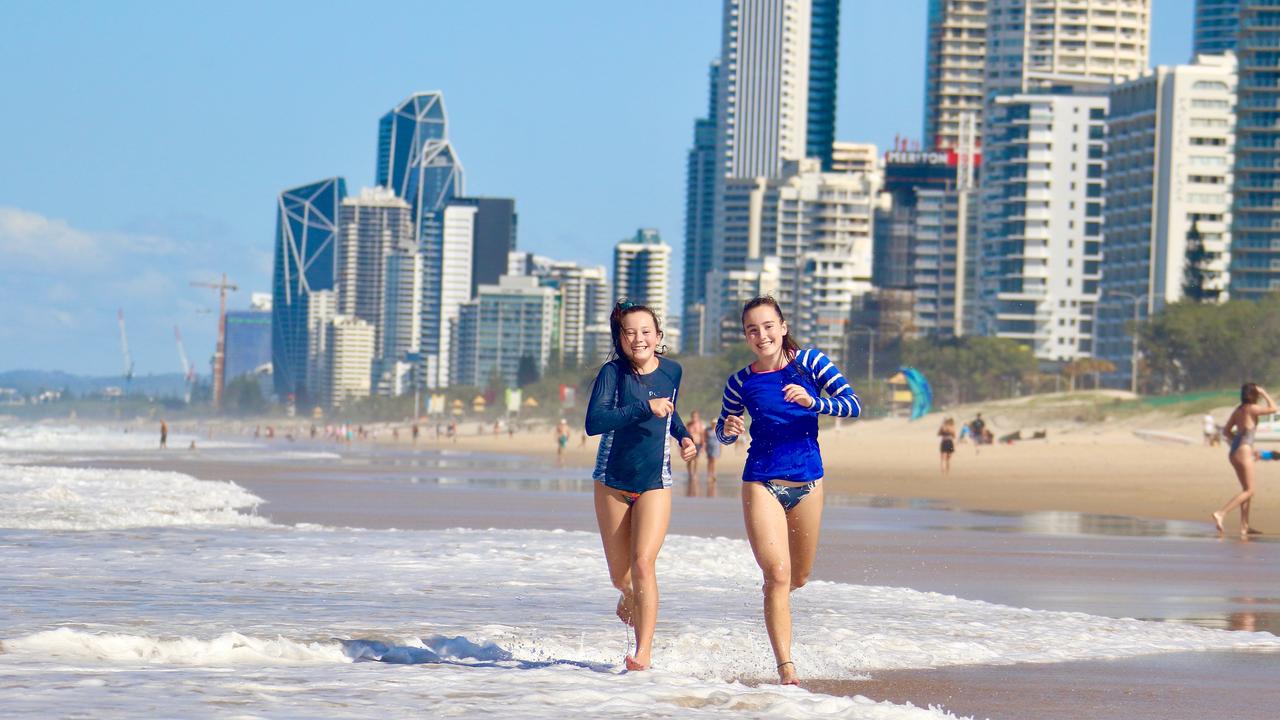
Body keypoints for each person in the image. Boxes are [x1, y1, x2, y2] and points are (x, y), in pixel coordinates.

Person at [715, 296, 861, 685]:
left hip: (809, 482)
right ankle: (786, 668)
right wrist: (727, 432)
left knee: (799, 576)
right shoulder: (740, 382)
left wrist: (815, 401)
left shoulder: (811, 363)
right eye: (752, 329)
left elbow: (853, 405)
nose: (761, 335)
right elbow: (723, 427)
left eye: (767, 326)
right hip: (761, 481)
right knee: (777, 574)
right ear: (746, 336)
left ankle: (777, 606)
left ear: (782, 326)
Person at [585, 300, 697, 672]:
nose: (638, 339)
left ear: (659, 336)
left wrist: (683, 436)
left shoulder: (673, 371)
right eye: (630, 332)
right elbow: (595, 421)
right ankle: (629, 593)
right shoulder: (612, 374)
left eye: (645, 331)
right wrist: (645, 408)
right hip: (612, 480)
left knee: (644, 562)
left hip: (655, 480)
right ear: (620, 337)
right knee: (621, 575)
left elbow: (670, 408)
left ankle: (643, 651)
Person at [1213, 383, 1278, 537]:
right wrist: (1264, 393)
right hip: (1243, 451)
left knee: (1246, 491)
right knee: (1249, 491)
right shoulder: (1252, 408)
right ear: (1254, 394)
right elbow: (1274, 409)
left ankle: (1244, 526)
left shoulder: (1238, 410)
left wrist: (1239, 440)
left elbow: (1226, 431)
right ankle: (1221, 513)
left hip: (1234, 452)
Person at [684, 410, 706, 495]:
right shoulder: (689, 425)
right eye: (693, 416)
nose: (694, 418)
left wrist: (703, 445)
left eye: (696, 416)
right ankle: (690, 473)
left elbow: (702, 435)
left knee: (696, 460)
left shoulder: (700, 425)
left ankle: (695, 473)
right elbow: (684, 434)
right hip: (690, 443)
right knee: (689, 460)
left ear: (698, 417)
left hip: (697, 443)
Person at [702, 418, 721, 496]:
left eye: (715, 423)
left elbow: (720, 441)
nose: (714, 424)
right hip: (709, 446)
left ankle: (713, 475)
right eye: (713, 423)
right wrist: (704, 446)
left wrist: (721, 450)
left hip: (716, 447)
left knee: (714, 461)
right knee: (709, 461)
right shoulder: (708, 430)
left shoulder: (718, 430)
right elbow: (705, 439)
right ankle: (709, 474)